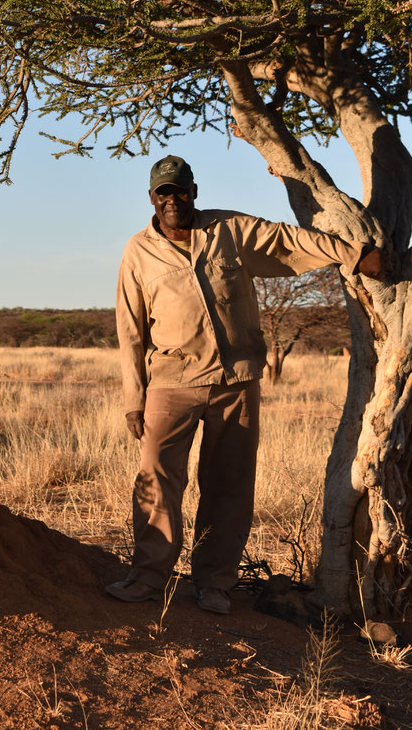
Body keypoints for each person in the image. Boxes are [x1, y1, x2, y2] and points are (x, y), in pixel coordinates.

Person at [105, 155, 385, 613]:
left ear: (193, 191)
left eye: (179, 190)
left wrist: (354, 255)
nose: (172, 200)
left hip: (236, 382)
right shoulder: (138, 251)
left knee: (230, 484)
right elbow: (130, 330)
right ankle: (148, 577)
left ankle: (214, 582)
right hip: (171, 383)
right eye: (163, 193)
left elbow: (289, 239)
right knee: (157, 477)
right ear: (152, 199)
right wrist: (134, 401)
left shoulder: (229, 230)